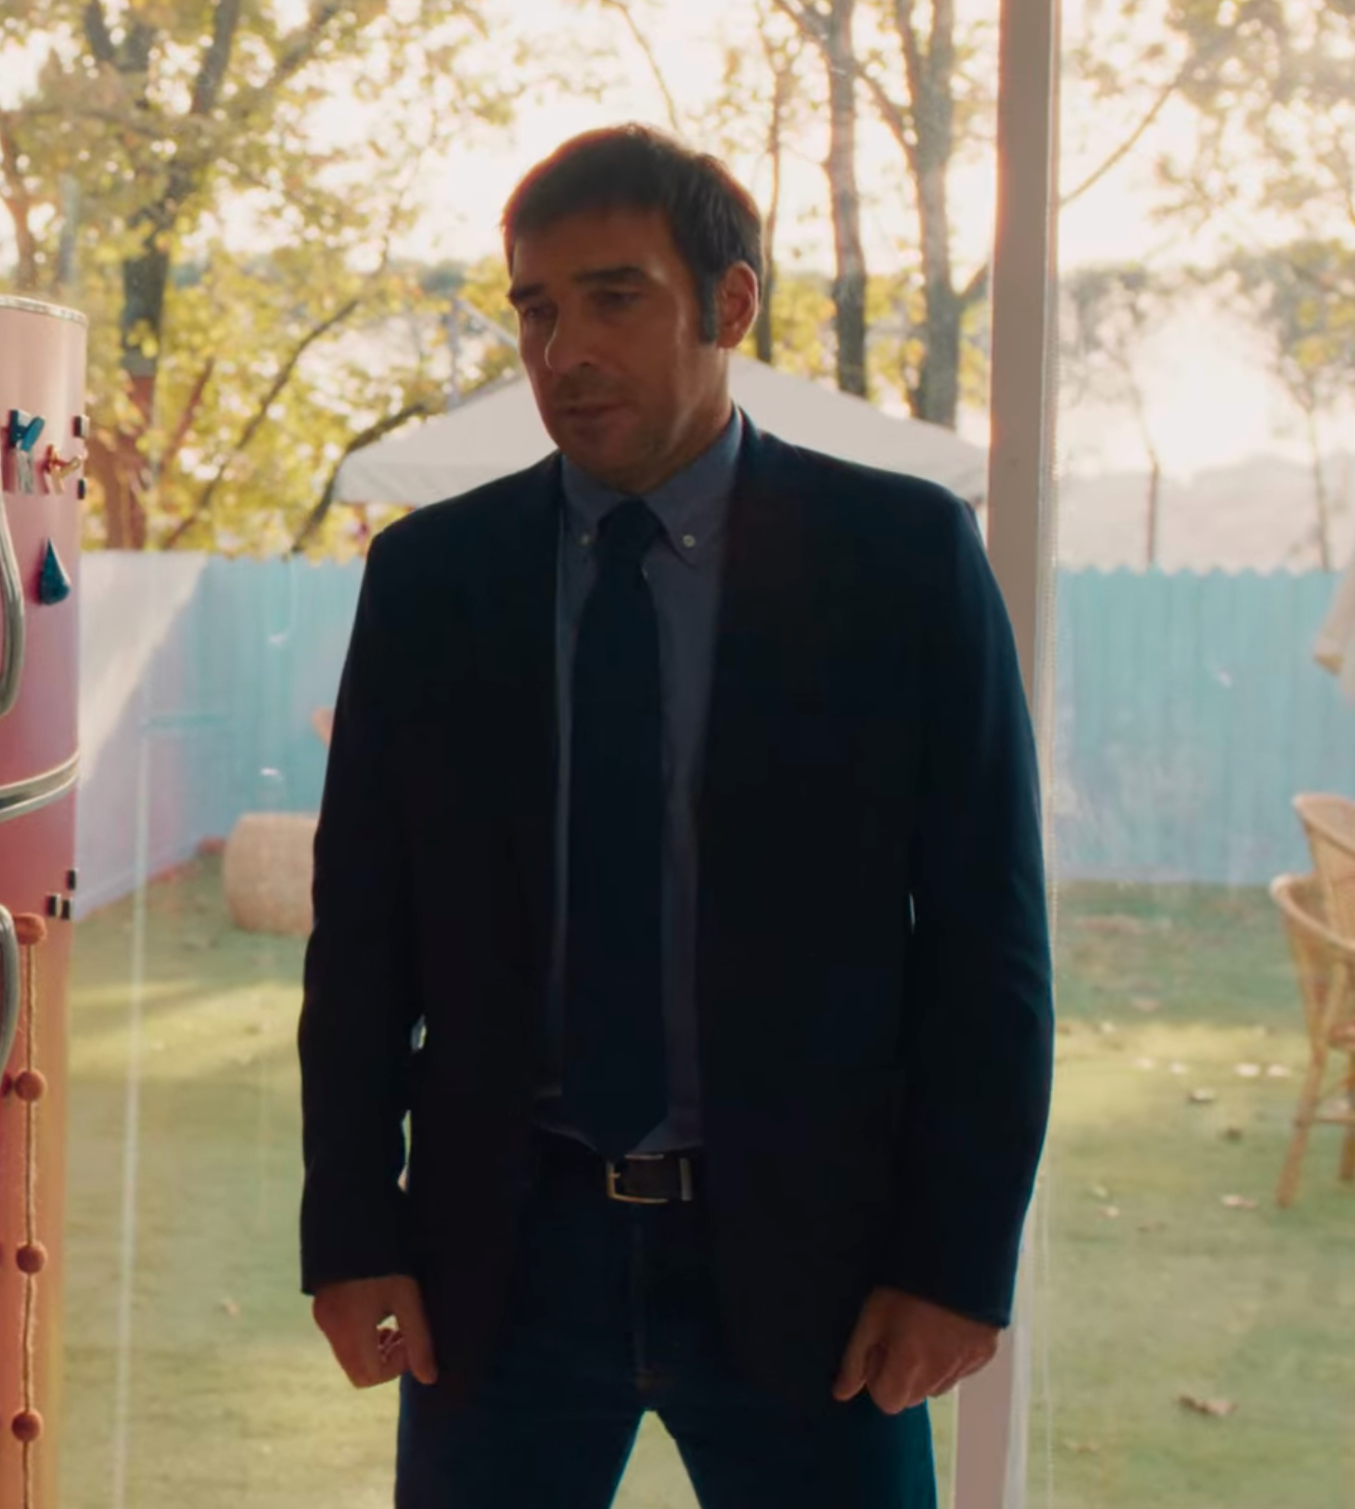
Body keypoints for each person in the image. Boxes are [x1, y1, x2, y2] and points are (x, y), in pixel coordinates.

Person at [297, 125, 1051, 1507]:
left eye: (615, 299)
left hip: (812, 1268)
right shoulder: (432, 582)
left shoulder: (900, 562)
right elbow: (361, 942)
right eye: (537, 309)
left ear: (731, 304)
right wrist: (352, 1229)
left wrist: (955, 1261)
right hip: (503, 1264)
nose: (565, 351)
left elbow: (984, 941)